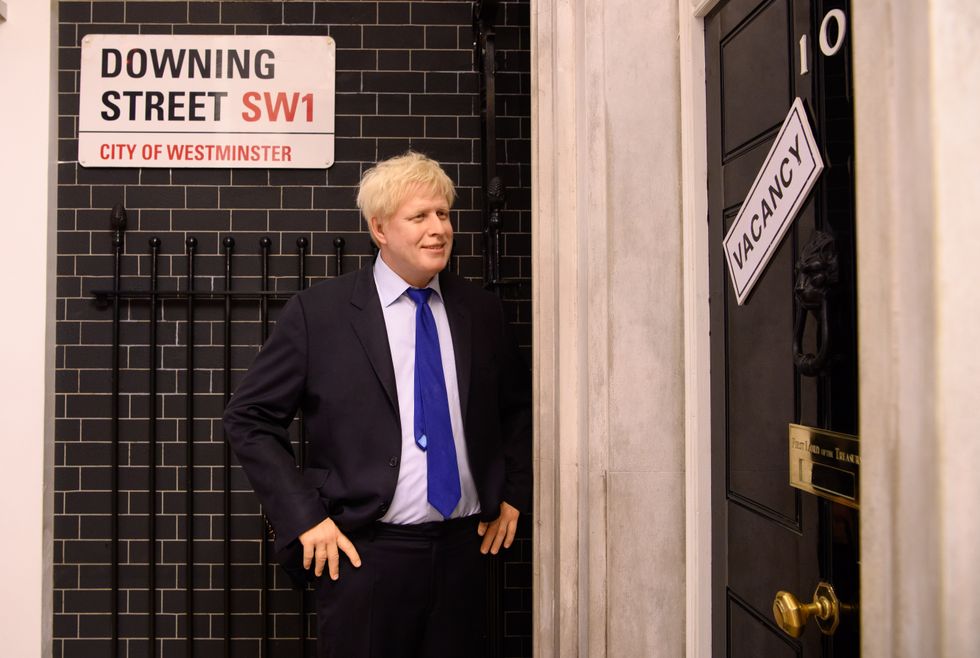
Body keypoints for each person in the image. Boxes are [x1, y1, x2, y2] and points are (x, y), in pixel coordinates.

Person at [222, 151, 532, 658]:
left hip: (464, 554)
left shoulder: (482, 311)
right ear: (380, 229)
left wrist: (514, 491)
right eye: (420, 217)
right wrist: (304, 517)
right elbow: (249, 418)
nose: (438, 229)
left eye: (444, 214)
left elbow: (517, 409)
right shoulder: (318, 315)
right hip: (365, 557)